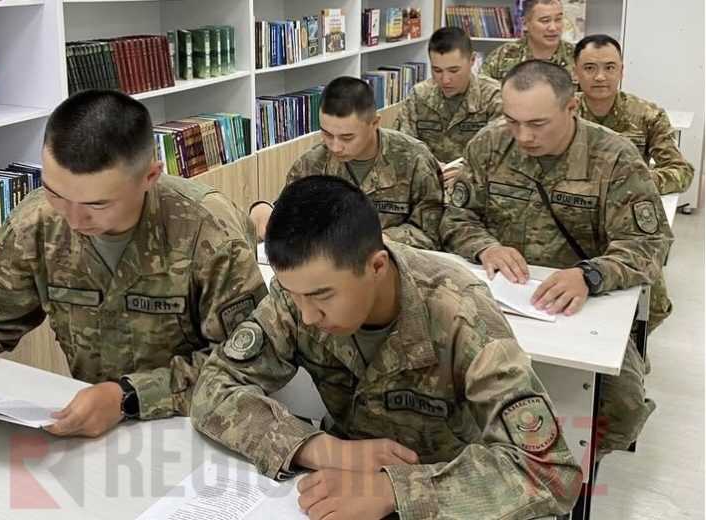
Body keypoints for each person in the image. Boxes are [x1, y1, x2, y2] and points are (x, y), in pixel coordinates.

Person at [193, 175, 581, 520]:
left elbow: (551, 473)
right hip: (340, 482)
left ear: (377, 267)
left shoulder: (461, 315)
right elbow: (214, 387)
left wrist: (394, 491)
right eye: (294, 295)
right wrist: (323, 449)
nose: (307, 316)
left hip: (445, 492)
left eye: (322, 296)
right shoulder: (298, 294)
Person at [0, 90, 267, 437]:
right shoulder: (37, 223)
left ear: (150, 177)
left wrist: (129, 397)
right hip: (86, 432)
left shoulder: (209, 232)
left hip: (196, 428)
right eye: (55, 193)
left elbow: (251, 364)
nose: (73, 220)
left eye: (97, 204)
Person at [440, 60, 673, 455]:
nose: (523, 136)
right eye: (512, 121)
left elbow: (648, 243)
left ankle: (575, 464)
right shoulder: (489, 145)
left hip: (586, 306)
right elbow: (456, 217)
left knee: (622, 409)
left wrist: (590, 275)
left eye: (537, 124)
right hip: (503, 299)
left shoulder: (614, 157)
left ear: (571, 108)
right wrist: (485, 246)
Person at [249, 76, 444, 250]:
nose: (335, 147)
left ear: (374, 123)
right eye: (327, 134)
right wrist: (264, 211)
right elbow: (289, 219)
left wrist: (382, 239)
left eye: (347, 137)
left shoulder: (414, 159)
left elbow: (431, 234)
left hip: (393, 266)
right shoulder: (310, 165)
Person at [574, 33, 694, 195]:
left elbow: (682, 172)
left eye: (609, 68)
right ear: (575, 72)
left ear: (621, 71)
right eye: (589, 68)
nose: (600, 77)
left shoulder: (648, 115)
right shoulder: (560, 112)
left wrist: (637, 181)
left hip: (626, 201)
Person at [394, 27, 502, 192]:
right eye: (437, 70)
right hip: (429, 185)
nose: (445, 80)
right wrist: (427, 166)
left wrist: (469, 172)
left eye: (454, 70)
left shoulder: (493, 97)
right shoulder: (419, 95)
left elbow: (504, 155)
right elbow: (401, 145)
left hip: (477, 189)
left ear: (472, 60)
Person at [481, 0, 575, 82]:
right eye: (545, 21)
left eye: (558, 20)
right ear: (525, 24)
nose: (553, 28)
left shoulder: (575, 56)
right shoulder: (503, 55)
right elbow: (481, 88)